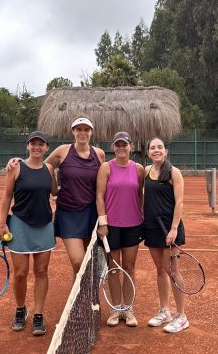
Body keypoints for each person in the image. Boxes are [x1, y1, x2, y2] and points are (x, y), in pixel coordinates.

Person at [7, 117, 105, 276]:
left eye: (86, 129)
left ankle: (83, 297)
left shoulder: (99, 154)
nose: (82, 132)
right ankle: (81, 298)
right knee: (78, 261)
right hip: (68, 213)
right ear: (73, 131)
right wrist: (20, 162)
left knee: (89, 259)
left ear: (91, 132)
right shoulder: (62, 151)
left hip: (91, 213)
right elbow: (41, 165)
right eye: (78, 129)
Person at [0, 131, 57, 336]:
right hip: (20, 225)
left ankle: (39, 314)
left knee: (41, 272)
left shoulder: (49, 169)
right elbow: (7, 197)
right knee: (21, 273)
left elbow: (55, 192)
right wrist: (2, 225)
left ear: (46, 148)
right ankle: (20, 309)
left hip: (45, 226)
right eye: (33, 144)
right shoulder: (15, 167)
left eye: (41, 144)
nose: (37, 147)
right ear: (27, 146)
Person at [95, 131, 145, 328]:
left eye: (124, 144)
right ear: (113, 147)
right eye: (118, 145)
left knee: (130, 268)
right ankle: (116, 308)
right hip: (111, 227)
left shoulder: (139, 169)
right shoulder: (106, 168)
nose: (121, 148)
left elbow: (140, 195)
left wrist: (142, 217)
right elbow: (99, 196)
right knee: (114, 269)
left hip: (133, 225)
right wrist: (103, 222)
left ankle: (128, 308)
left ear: (131, 146)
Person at [143, 137, 190, 333]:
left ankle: (181, 315)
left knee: (173, 270)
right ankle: (165, 311)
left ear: (166, 151)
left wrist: (173, 228)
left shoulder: (174, 172)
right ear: (148, 153)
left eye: (159, 147)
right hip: (152, 228)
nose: (156, 150)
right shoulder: (146, 171)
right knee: (160, 270)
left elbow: (179, 202)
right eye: (152, 148)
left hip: (170, 229)